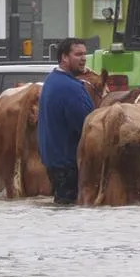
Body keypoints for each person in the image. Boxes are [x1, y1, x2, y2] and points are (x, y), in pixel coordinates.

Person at [37, 37, 95, 205]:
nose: (83, 58)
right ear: (64, 57)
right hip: (69, 164)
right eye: (78, 54)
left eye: (85, 54)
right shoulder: (70, 88)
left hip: (54, 162)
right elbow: (88, 127)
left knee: (61, 210)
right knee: (71, 213)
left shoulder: (51, 81)